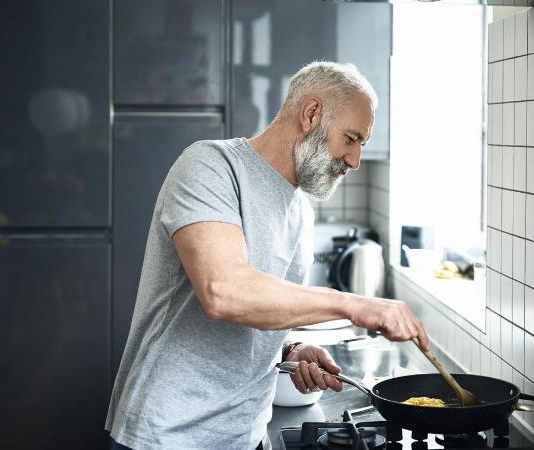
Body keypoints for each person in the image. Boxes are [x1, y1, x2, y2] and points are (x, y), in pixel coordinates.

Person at [105, 61, 430, 450]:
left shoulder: (301, 210)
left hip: (245, 434)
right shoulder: (211, 166)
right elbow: (224, 292)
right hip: (168, 434)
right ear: (311, 114)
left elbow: (260, 309)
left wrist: (290, 347)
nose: (355, 160)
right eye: (351, 138)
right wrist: (355, 305)